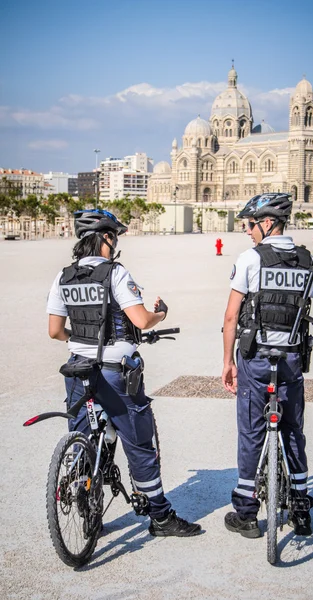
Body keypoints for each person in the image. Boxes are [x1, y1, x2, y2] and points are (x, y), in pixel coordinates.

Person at [46, 209, 201, 538]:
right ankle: (160, 517)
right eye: (113, 237)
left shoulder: (63, 277)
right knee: (139, 442)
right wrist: (159, 314)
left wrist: (82, 339)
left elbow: (55, 331)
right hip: (115, 372)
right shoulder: (114, 273)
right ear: (105, 238)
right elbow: (141, 321)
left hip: (77, 369)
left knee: (85, 440)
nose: (115, 244)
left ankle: (87, 514)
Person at [222, 194, 313, 538]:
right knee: (292, 431)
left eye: (250, 224)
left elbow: (231, 317)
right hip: (290, 359)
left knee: (251, 431)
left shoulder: (250, 259)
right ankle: (300, 507)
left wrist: (227, 362)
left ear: (268, 223)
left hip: (256, 359)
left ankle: (246, 513)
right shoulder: (306, 260)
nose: (247, 230)